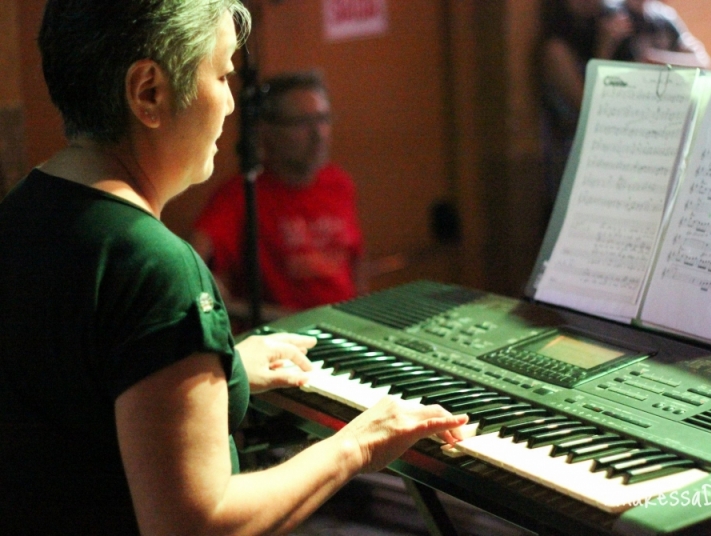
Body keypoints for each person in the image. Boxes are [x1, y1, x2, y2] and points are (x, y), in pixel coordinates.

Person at [0, 1, 468, 534]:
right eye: (222, 74)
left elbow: (79, 413)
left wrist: (223, 368)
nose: (229, 105)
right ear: (149, 92)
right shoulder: (153, 264)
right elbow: (198, 523)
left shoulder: (22, 211)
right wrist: (360, 443)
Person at [192, 71, 363, 324]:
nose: (319, 134)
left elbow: (355, 265)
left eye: (323, 119)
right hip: (283, 340)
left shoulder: (339, 183)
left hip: (345, 328)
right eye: (302, 122)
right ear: (267, 131)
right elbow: (192, 263)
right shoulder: (241, 194)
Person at [536, 0, 629, 206]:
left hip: (610, 149)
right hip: (571, 154)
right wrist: (604, 48)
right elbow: (589, 106)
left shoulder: (596, 28)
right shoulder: (556, 48)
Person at [604, 0, 711, 68]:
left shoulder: (664, 16)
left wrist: (655, 59)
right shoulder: (609, 12)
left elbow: (703, 62)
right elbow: (592, 66)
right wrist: (608, 39)